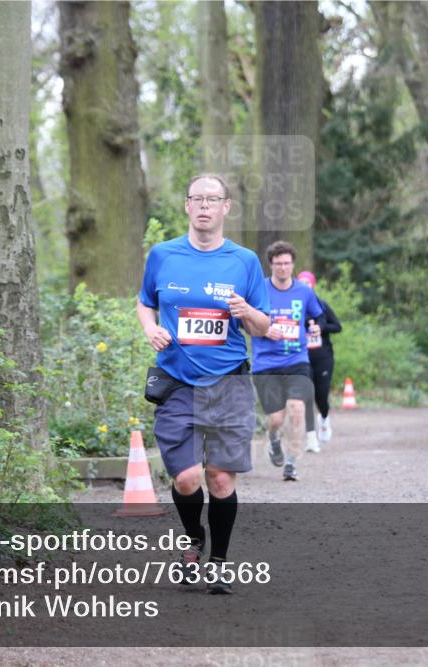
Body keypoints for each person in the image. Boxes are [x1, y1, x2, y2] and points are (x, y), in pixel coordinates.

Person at [137, 173, 271, 594]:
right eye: (197, 198)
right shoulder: (163, 255)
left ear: (227, 207)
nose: (205, 206)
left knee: (221, 480)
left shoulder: (245, 261)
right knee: (187, 479)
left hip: (229, 383)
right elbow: (145, 304)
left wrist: (247, 311)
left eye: (213, 199)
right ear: (186, 206)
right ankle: (192, 538)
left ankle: (218, 562)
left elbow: (264, 327)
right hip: (177, 381)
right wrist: (150, 329)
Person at [251, 241, 324, 481]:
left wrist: (315, 326)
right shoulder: (258, 289)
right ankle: (273, 439)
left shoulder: (304, 291)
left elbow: (319, 316)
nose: (282, 268)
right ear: (270, 265)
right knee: (275, 419)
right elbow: (244, 322)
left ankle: (291, 463)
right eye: (278, 264)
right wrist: (263, 330)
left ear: (293, 265)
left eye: (286, 263)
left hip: (297, 360)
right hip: (266, 364)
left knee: (297, 409)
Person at [297, 271, 342, 451]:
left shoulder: (321, 305)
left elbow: (337, 326)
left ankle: (324, 418)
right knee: (306, 395)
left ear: (313, 286)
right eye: (302, 283)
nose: (305, 286)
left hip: (323, 357)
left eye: (308, 283)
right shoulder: (294, 306)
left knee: (321, 395)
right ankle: (311, 437)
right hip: (301, 357)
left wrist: (321, 327)